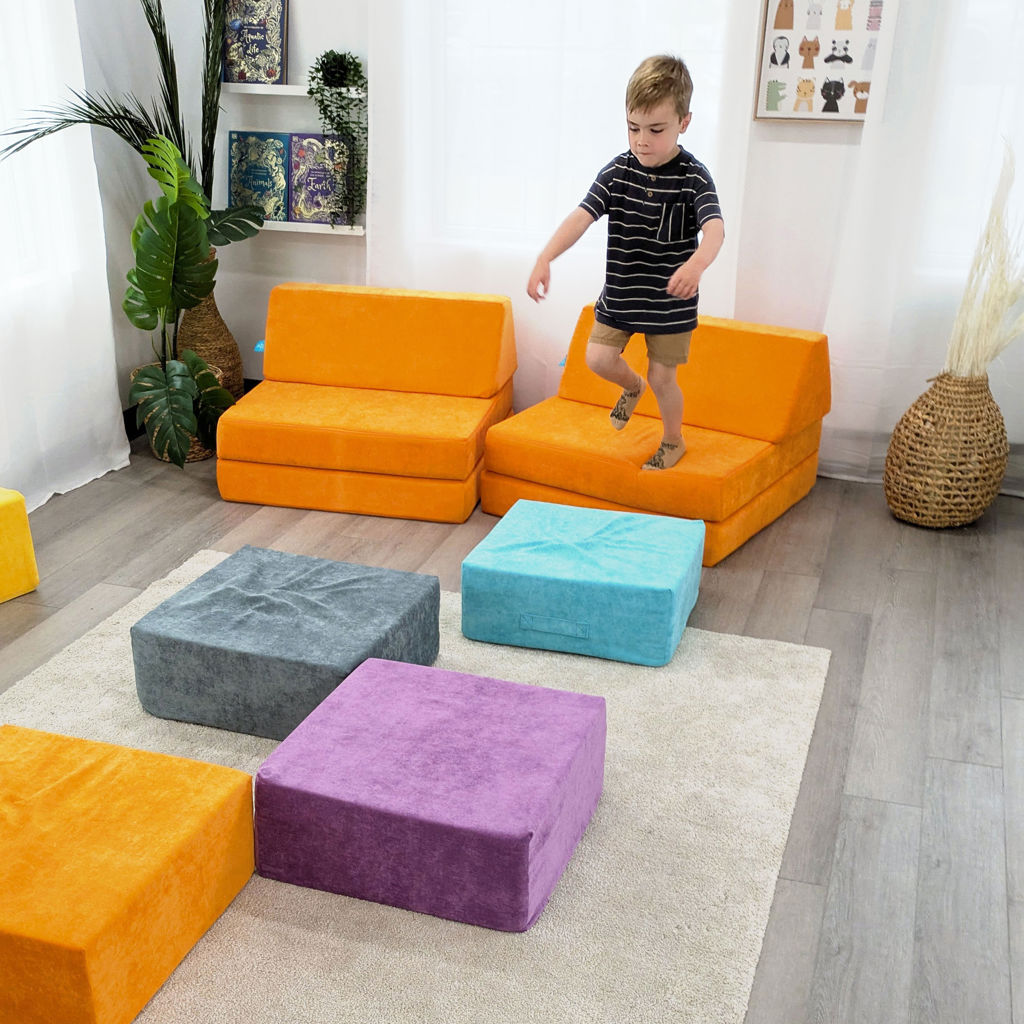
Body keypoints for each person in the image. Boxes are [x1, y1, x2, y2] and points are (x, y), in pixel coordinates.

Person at [526, 54, 725, 470]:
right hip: (622, 295)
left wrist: (696, 265)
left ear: (684, 122)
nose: (641, 140)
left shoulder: (693, 177)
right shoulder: (618, 171)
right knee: (597, 359)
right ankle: (631, 388)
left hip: (670, 303)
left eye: (656, 130)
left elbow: (715, 230)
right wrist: (545, 257)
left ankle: (673, 441)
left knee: (663, 378)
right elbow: (582, 216)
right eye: (633, 128)